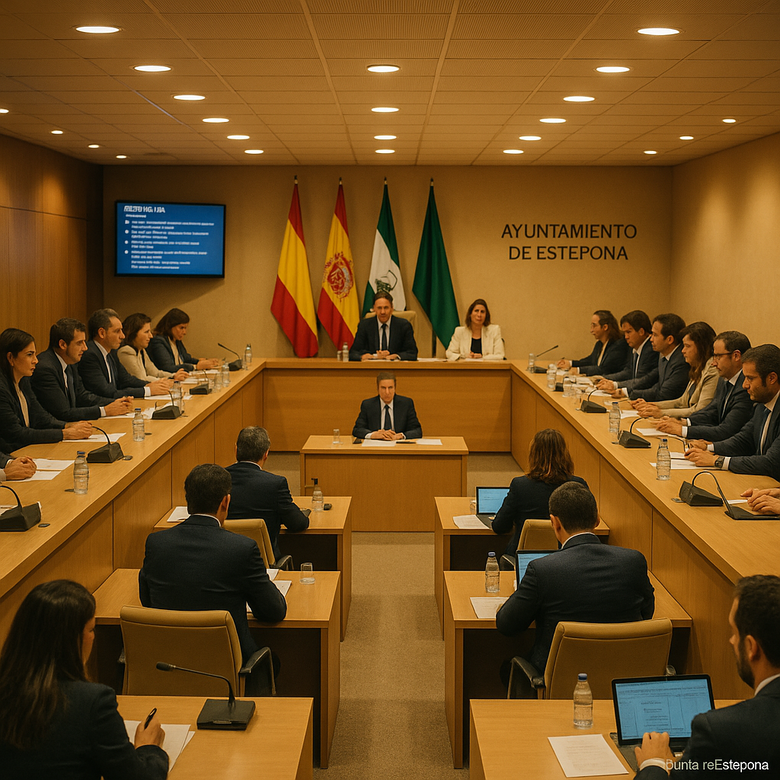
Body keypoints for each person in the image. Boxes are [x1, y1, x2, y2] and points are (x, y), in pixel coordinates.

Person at [0, 579, 167, 779]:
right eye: (91, 629)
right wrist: (149, 747)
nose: (94, 637)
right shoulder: (92, 702)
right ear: (71, 640)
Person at [495, 482, 654, 674]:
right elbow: (647, 613)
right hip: (623, 673)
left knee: (506, 669)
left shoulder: (542, 569)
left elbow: (507, 625)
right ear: (597, 519)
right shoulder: (633, 561)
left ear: (554, 523)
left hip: (559, 677)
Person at [139, 464, 287, 666]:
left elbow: (147, 601)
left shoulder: (156, 543)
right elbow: (273, 611)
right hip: (228, 663)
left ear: (188, 500)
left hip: (167, 660)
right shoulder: (242, 549)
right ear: (226, 502)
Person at [635, 574, 780, 778]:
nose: (731, 641)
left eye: (734, 632)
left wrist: (654, 762)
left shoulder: (721, 732)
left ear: (750, 647)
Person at [685, 344, 780, 479]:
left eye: (750, 378)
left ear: (772, 378)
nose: (744, 385)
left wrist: (717, 461)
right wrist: (709, 448)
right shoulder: (762, 402)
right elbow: (744, 439)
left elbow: (771, 463)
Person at [491, 428, 587, 556]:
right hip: (568, 557)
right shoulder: (578, 485)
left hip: (524, 558)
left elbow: (500, 526)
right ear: (565, 454)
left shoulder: (520, 485)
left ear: (533, 455)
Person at [0, 328, 92, 451]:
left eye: (34, 354)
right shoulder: (2, 389)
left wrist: (67, 425)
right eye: (29, 355)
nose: (35, 360)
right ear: (11, 358)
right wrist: (65, 434)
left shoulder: (23, 380)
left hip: (26, 451)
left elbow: (40, 416)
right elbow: (16, 433)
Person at [226, 426, 309, 560]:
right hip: (262, 563)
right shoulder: (275, 484)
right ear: (266, 454)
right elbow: (297, 524)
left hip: (223, 558)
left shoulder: (217, 479)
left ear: (236, 450)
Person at [656, 330, 753, 441]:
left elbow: (727, 430)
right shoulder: (724, 379)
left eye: (717, 356)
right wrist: (685, 422)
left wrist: (682, 430)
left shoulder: (746, 387)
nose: (713, 363)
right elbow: (712, 411)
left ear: (736, 356)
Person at [31, 318, 134, 422]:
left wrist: (116, 403)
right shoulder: (45, 369)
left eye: (84, 342)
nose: (85, 348)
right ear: (62, 344)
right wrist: (104, 411)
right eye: (79, 343)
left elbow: (82, 396)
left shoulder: (69, 362)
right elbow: (63, 412)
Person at [79, 309, 171, 400]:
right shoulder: (89, 355)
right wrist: (147, 391)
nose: (122, 336)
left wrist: (148, 385)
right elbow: (106, 392)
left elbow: (126, 379)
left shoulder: (111, 352)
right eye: (117, 331)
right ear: (102, 333)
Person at [635, 321, 718, 420]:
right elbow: (681, 402)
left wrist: (661, 413)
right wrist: (651, 405)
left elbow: (700, 410)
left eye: (688, 346)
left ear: (701, 347)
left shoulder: (712, 370)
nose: (683, 351)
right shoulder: (698, 367)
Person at [608, 313, 689, 402]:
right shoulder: (664, 357)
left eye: (655, 335)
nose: (651, 339)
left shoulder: (681, 361)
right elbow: (658, 386)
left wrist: (629, 393)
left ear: (669, 339)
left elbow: (664, 394)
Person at [118, 313, 189, 383]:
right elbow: (141, 379)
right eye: (146, 332)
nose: (151, 336)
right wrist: (170, 380)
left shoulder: (141, 350)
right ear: (133, 333)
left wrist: (173, 376)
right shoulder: (126, 351)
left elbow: (155, 373)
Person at [349, 292, 418, 362]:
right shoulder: (365, 325)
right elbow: (353, 353)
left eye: (386, 308)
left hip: (395, 368)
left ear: (392, 308)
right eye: (379, 308)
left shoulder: (403, 325)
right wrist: (364, 356)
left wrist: (396, 356)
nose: (382, 312)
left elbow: (412, 353)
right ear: (374, 309)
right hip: (371, 368)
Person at [352, 371, 422, 440]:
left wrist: (400, 436)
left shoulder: (406, 403)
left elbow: (417, 431)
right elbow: (357, 430)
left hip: (398, 446)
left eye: (390, 388)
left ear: (395, 388)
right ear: (378, 389)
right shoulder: (368, 405)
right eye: (383, 388)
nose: (387, 392)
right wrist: (373, 435)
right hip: (376, 447)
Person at [557, 310, 629, 376]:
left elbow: (604, 369)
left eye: (594, 326)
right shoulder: (599, 344)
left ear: (605, 327)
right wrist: (570, 363)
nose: (591, 330)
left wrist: (579, 370)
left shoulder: (618, 345)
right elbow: (590, 360)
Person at [147, 308, 220, 373]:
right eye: (181, 328)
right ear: (170, 326)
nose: (184, 332)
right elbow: (167, 368)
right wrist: (195, 367)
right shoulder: (158, 341)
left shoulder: (176, 339)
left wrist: (205, 362)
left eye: (185, 328)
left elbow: (186, 359)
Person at [594, 310, 656, 386]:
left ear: (641, 332)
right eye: (625, 333)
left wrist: (616, 385)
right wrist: (604, 378)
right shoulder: (634, 347)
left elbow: (641, 380)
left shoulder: (651, 349)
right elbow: (628, 372)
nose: (626, 337)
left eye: (628, 332)